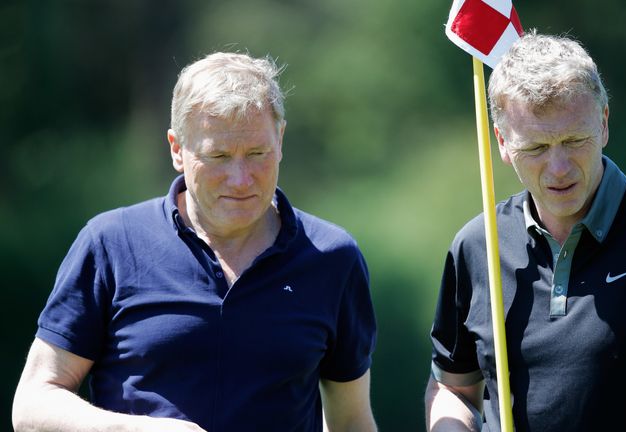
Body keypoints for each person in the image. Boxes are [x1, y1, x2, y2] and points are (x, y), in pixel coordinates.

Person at [12, 52, 377, 432]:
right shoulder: (110, 243)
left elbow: (352, 421)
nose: (240, 178)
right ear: (176, 149)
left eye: (257, 153)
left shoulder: (332, 257)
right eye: (218, 156)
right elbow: (33, 404)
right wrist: (136, 430)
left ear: (280, 138)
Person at [425, 32, 626, 432]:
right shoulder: (477, 245)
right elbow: (452, 388)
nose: (558, 168)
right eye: (537, 148)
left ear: (604, 123)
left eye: (574, 140)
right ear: (503, 143)